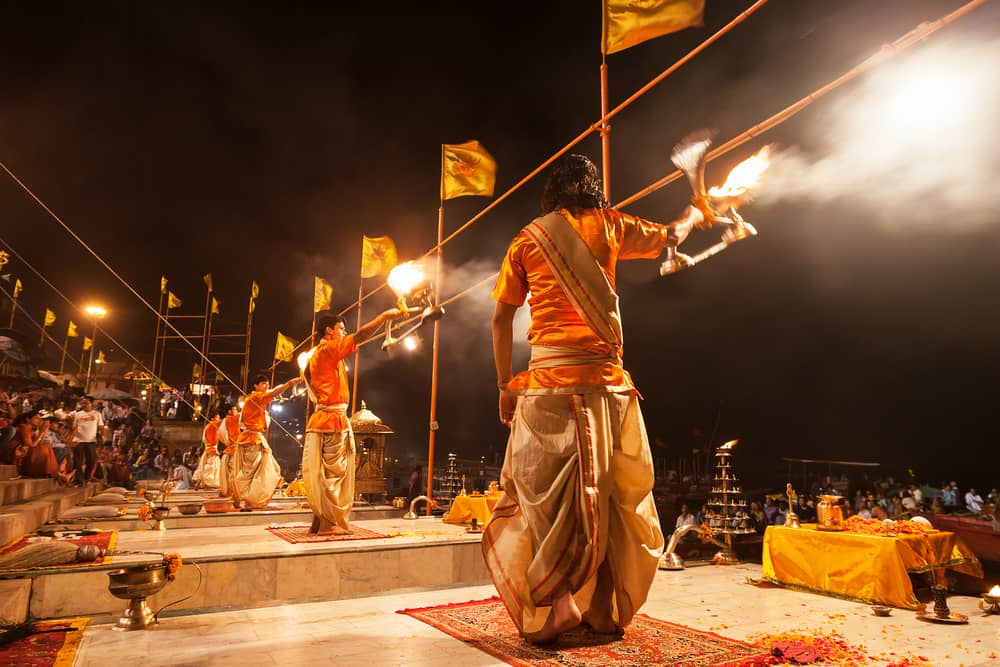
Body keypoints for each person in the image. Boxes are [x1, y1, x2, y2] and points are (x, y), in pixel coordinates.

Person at [485, 153, 708, 643]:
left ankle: (560, 601)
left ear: (552, 192)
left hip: (546, 388)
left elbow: (502, 320)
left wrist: (504, 385)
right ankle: (603, 612)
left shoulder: (528, 238)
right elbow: (672, 236)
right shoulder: (612, 226)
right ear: (593, 190)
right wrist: (697, 208)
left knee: (537, 494)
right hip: (608, 391)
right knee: (605, 499)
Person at [300, 308, 404, 535]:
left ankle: (320, 521)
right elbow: (359, 337)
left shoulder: (322, 354)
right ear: (329, 331)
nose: (344, 333)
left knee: (326, 473)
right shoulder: (327, 348)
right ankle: (328, 524)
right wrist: (382, 317)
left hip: (327, 418)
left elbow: (355, 342)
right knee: (333, 474)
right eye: (341, 329)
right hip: (331, 420)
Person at [222, 375, 300, 509]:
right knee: (251, 471)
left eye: (267, 384)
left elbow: (273, 394)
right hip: (251, 440)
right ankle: (244, 498)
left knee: (258, 469)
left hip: (252, 439)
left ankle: (243, 497)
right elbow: (274, 392)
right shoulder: (256, 397)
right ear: (256, 385)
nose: (266, 386)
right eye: (264, 384)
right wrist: (289, 383)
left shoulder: (255, 399)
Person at [70, 398, 105, 485]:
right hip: (78, 440)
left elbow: (101, 426)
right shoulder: (77, 414)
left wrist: (103, 436)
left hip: (91, 441)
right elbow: (74, 427)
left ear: (91, 404)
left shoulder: (97, 414)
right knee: (77, 461)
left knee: (92, 461)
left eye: (87, 403)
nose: (85, 405)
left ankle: (86, 477)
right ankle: (79, 480)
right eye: (83, 403)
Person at [193, 410, 223, 489]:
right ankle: (207, 484)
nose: (219, 418)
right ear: (214, 418)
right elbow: (223, 422)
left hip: (208, 449)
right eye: (217, 417)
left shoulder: (207, 426)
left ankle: (199, 482)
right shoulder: (213, 425)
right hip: (212, 449)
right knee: (211, 467)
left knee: (204, 467)